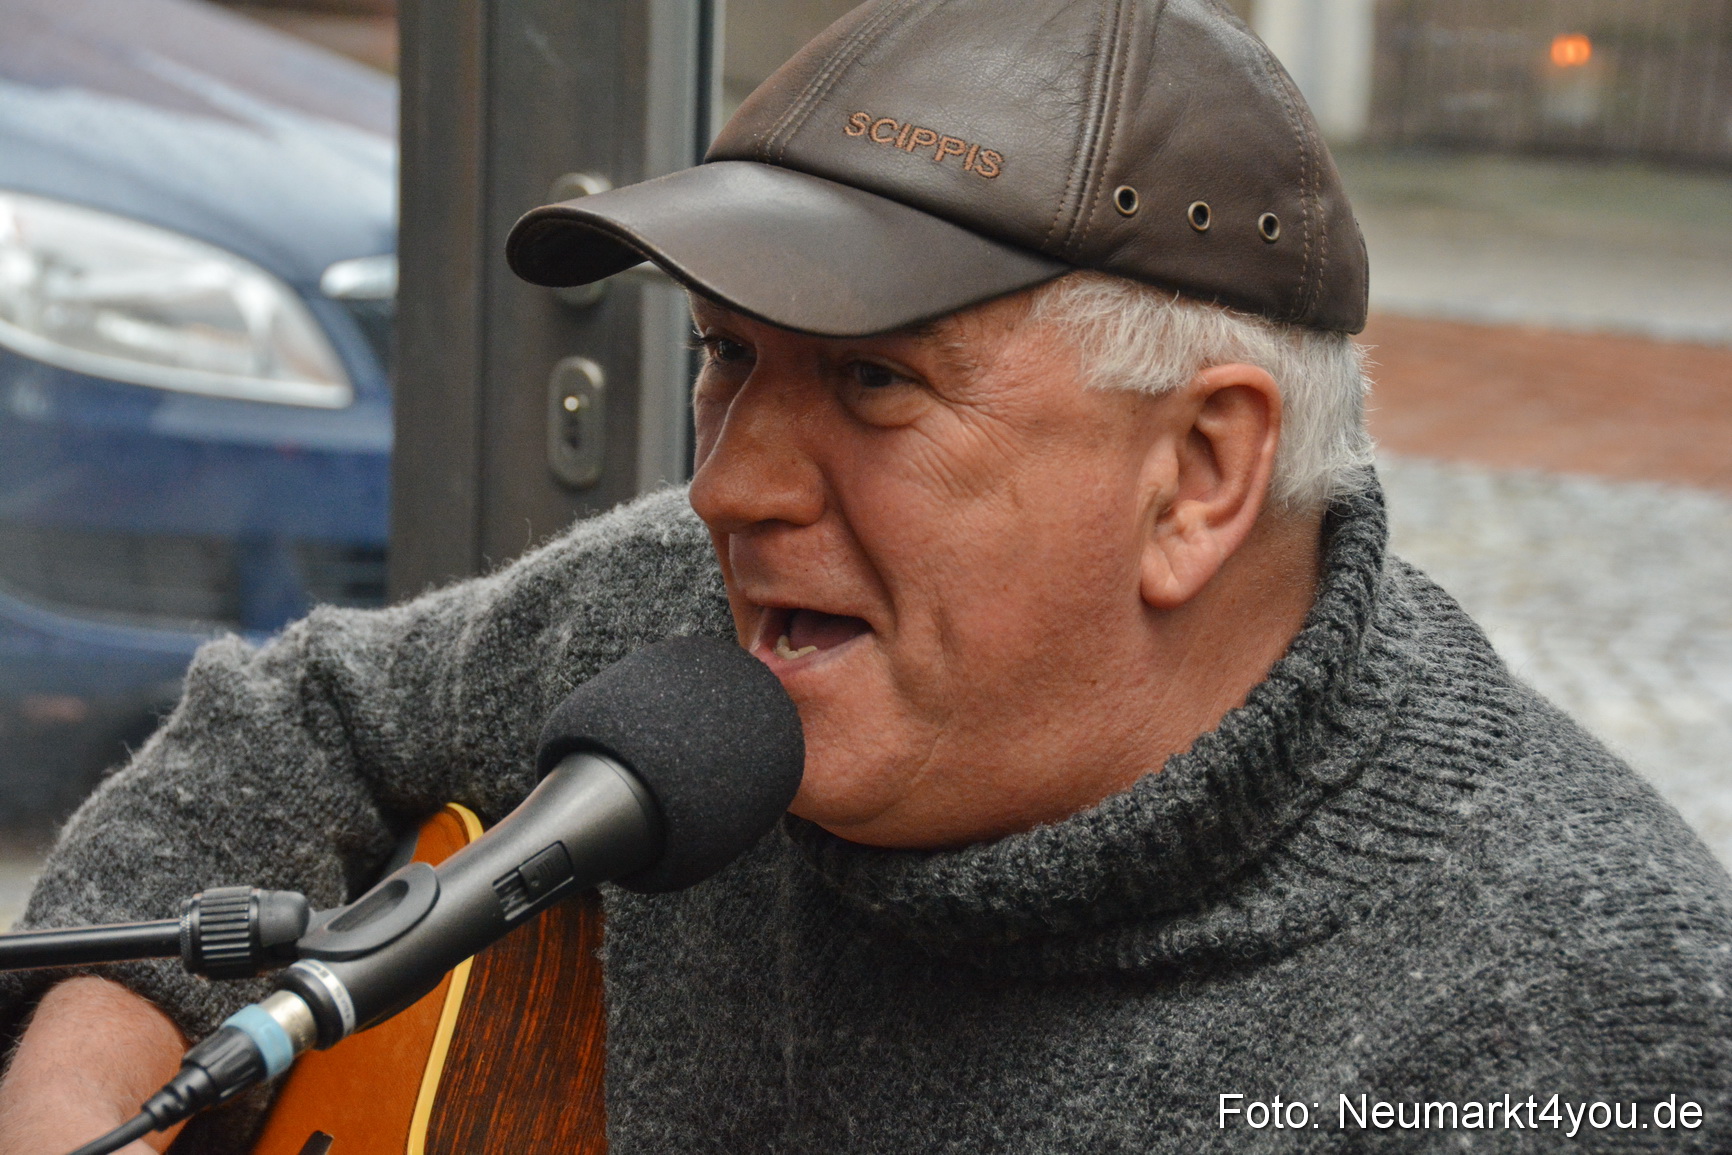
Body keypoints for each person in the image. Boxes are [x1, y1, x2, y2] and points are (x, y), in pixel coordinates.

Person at [5, 0, 1731, 1150]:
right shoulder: (691, 631)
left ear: (1199, 474)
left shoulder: (1574, 1017)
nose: (729, 483)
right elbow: (290, 728)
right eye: (724, 356)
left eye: (875, 382)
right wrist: (89, 1087)